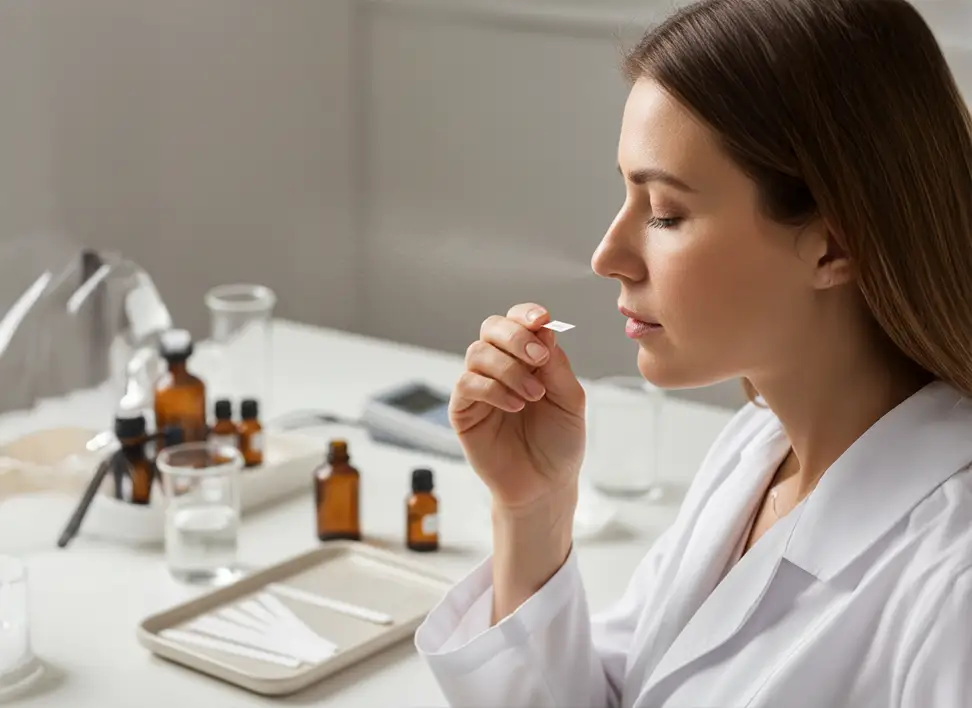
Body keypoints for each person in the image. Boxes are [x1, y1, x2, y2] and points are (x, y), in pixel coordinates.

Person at [412, 0, 972, 706]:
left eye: (665, 214)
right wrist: (534, 510)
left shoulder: (953, 590)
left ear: (833, 244)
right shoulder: (755, 455)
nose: (607, 255)